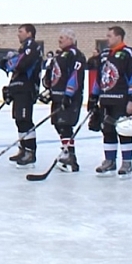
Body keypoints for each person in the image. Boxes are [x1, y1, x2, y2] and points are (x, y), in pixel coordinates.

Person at [89, 26, 132, 178]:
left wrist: (131, 99)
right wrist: (94, 97)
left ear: (119, 37)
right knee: (107, 130)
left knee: (124, 130)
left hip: (121, 99)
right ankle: (109, 161)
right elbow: (100, 77)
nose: (107, 39)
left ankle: (127, 162)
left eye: (110, 36)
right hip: (106, 99)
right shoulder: (104, 54)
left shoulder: (130, 53)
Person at [3, 24, 43, 167]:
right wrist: (11, 88)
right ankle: (23, 148)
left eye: (21, 31)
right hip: (19, 89)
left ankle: (30, 152)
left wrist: (8, 62)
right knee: (19, 120)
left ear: (29, 33)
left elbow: (22, 65)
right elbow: (17, 71)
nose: (18, 34)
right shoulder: (24, 47)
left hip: (27, 88)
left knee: (25, 120)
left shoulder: (32, 46)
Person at [48, 29, 86, 172]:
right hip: (57, 97)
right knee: (58, 125)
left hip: (69, 98)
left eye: (62, 38)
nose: (59, 40)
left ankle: (71, 156)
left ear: (71, 39)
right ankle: (66, 151)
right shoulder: (60, 55)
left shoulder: (75, 55)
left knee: (65, 126)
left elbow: (75, 76)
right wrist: (48, 91)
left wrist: (68, 94)